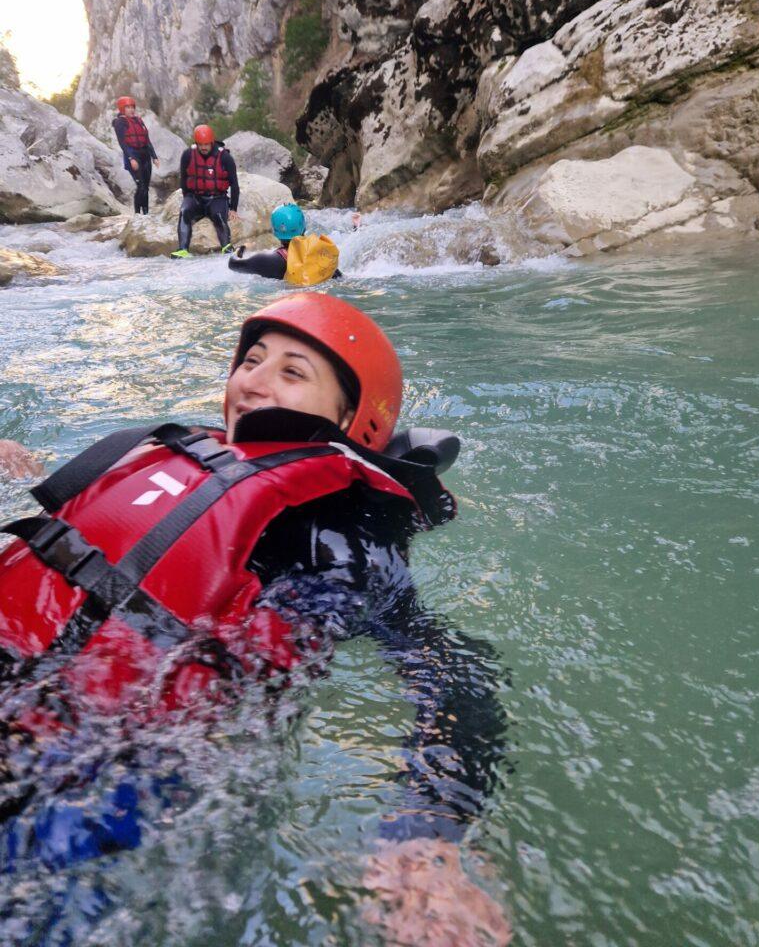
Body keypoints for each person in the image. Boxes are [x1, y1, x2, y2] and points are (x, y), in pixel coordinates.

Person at [0, 294, 510, 944]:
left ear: (352, 423)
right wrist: (28, 468)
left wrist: (431, 833)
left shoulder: (336, 527)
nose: (251, 381)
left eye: (292, 372)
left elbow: (451, 667)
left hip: (95, 766)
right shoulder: (194, 458)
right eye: (251, 360)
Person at [170, 124, 239, 259]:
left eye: (206, 144)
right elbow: (184, 179)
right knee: (184, 212)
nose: (204, 147)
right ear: (196, 142)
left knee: (219, 216)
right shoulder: (188, 154)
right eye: (201, 144)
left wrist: (234, 208)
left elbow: (234, 184)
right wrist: (186, 199)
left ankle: (227, 247)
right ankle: (182, 250)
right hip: (196, 197)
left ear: (212, 141)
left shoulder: (224, 157)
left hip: (217, 198)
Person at [229, 203, 341, 284]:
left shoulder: (265, 261)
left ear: (275, 230)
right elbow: (340, 277)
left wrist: (242, 248)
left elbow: (233, 264)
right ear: (303, 227)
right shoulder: (320, 254)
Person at [112, 96, 159, 215]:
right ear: (122, 109)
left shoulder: (138, 120)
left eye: (132, 107)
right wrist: (131, 158)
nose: (131, 109)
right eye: (127, 107)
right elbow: (122, 143)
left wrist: (154, 156)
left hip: (145, 156)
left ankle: (146, 213)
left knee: (146, 188)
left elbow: (146, 139)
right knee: (141, 186)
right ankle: (138, 214)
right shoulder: (120, 123)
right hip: (133, 156)